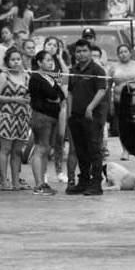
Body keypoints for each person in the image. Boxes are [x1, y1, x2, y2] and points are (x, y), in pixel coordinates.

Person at [66, 39, 107, 196]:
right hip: (75, 117)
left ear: (90, 52)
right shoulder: (73, 70)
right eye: (78, 51)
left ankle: (96, 184)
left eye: (84, 51)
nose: (81, 54)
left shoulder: (97, 70)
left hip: (92, 117)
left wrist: (90, 107)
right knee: (80, 151)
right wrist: (69, 113)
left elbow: (101, 91)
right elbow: (70, 92)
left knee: (94, 150)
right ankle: (83, 181)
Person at [29, 50, 66, 195]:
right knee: (40, 149)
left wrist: (55, 97)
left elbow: (61, 96)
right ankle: (38, 185)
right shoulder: (36, 78)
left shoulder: (49, 78)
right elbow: (52, 95)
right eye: (48, 60)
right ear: (39, 62)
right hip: (41, 117)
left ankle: (43, 183)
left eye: (52, 60)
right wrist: (54, 98)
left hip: (52, 117)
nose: (51, 63)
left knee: (45, 150)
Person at [0, 47, 32, 191]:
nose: (16, 62)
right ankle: (4, 181)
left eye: (18, 59)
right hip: (7, 117)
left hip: (23, 117)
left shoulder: (26, 76)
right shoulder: (4, 76)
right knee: (5, 149)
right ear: (7, 62)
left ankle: (16, 181)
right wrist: (14, 99)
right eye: (13, 60)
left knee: (17, 151)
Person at [108, 44, 135, 161]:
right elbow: (108, 85)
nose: (123, 54)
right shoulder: (113, 67)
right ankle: (125, 149)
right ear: (118, 55)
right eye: (121, 52)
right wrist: (110, 103)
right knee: (122, 126)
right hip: (120, 100)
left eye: (125, 51)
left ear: (130, 52)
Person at [42, 36, 70, 183]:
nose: (52, 47)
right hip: (45, 107)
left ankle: (59, 171)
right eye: (49, 44)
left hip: (61, 106)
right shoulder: (39, 63)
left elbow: (66, 78)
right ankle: (43, 172)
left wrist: (60, 58)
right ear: (44, 45)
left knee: (59, 139)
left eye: (55, 45)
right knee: (45, 141)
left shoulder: (60, 64)